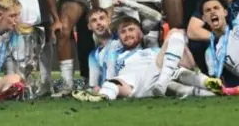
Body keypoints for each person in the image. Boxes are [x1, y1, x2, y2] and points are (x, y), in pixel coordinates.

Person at [72, 16, 225, 101]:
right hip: (134, 85)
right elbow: (107, 74)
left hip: (158, 77)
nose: (127, 34)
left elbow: (189, 64)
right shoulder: (114, 53)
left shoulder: (155, 51)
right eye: (123, 32)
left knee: (177, 38)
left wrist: (180, 44)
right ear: (118, 37)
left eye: (131, 29)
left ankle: (219, 90)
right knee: (113, 83)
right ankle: (103, 97)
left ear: (141, 33)